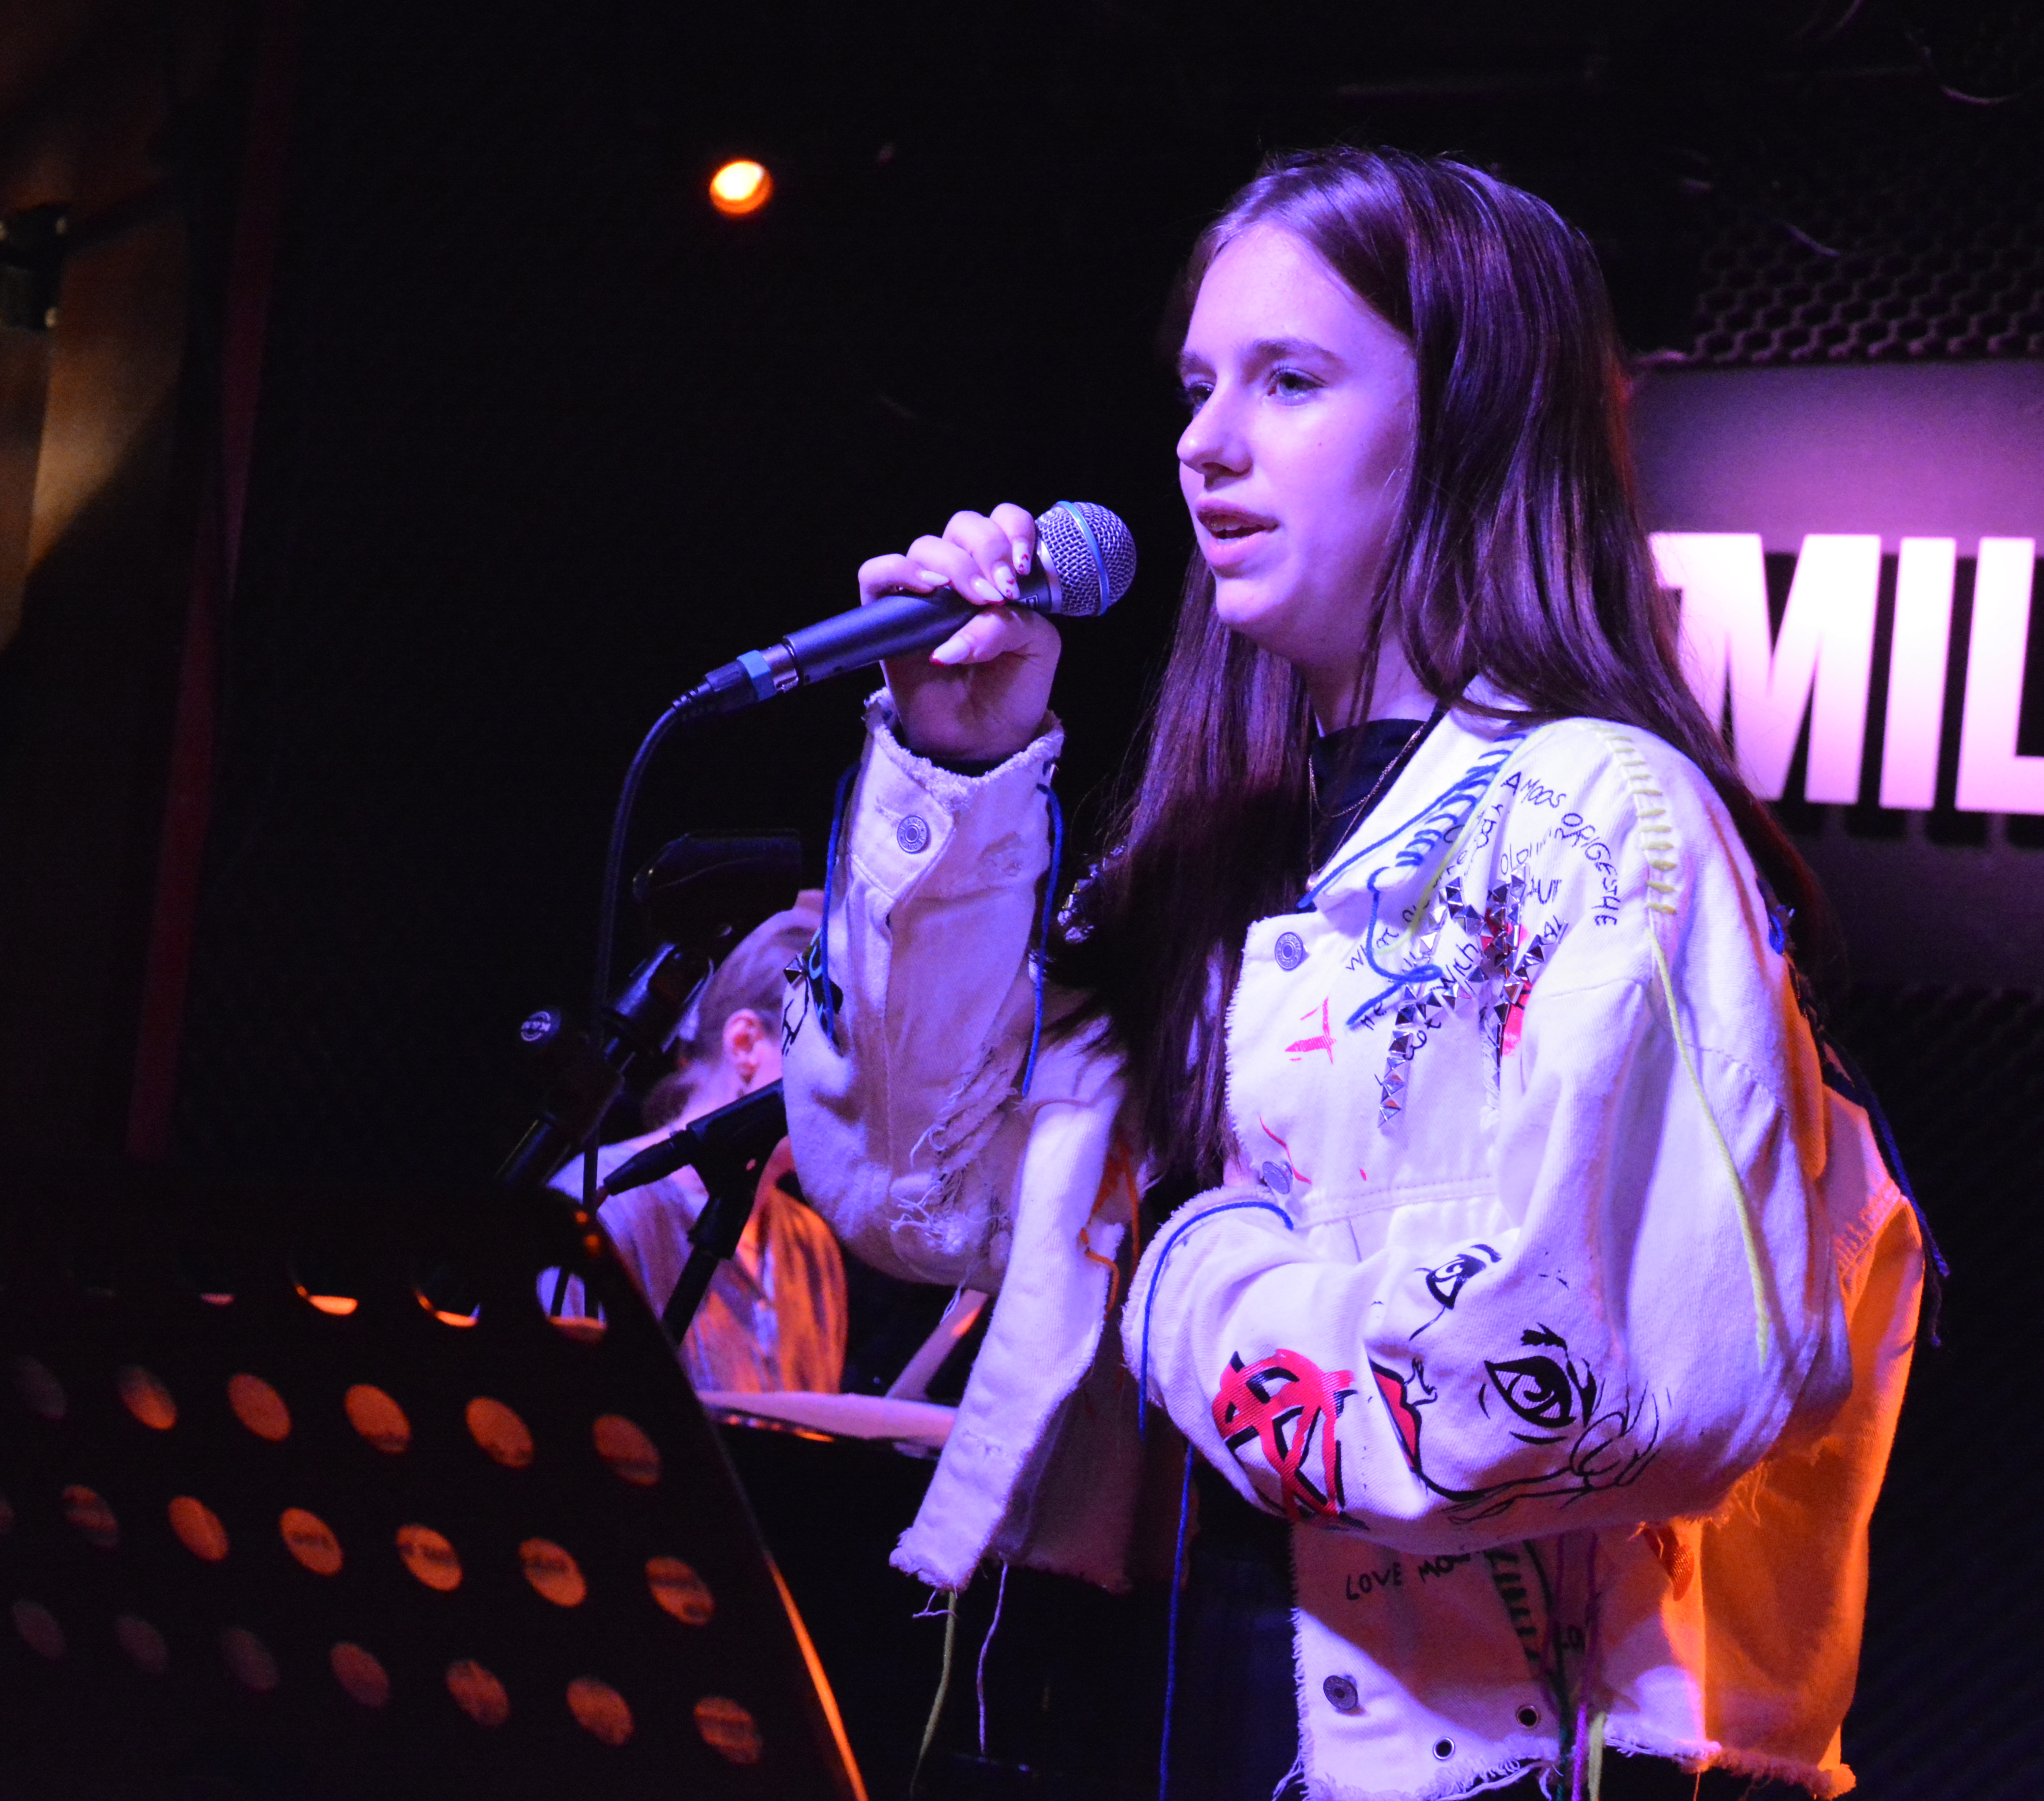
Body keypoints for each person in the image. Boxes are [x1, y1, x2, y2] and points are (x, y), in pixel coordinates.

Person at [784, 147, 1925, 1801]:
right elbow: (920, 1194)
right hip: (1141, 1712)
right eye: (1195, 386)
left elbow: (1578, 1389)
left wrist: (1194, 1282)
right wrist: (962, 783)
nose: (1203, 443)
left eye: (1289, 380)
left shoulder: (1601, 825)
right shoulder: (1194, 857)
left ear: (1463, 419)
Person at [554, 897, 846, 1394]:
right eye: (839, 1051)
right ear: (746, 1044)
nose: (858, 1092)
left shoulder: (811, 1248)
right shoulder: (600, 1204)